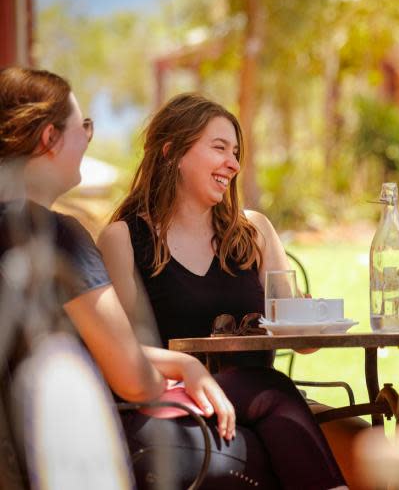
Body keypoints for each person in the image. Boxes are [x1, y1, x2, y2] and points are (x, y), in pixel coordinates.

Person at [0, 67, 304, 488]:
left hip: (31, 451)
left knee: (282, 404)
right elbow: (126, 371)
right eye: (83, 125)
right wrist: (186, 368)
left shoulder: (33, 235)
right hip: (120, 441)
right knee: (283, 415)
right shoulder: (59, 237)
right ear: (50, 139)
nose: (89, 137)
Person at [96, 92, 349, 488]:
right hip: (176, 401)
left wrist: (308, 320)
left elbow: (301, 342)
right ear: (172, 152)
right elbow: (119, 352)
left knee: (350, 432)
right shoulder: (124, 239)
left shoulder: (255, 232)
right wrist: (185, 368)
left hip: (260, 402)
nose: (233, 163)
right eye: (219, 148)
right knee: (275, 389)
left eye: (235, 152)